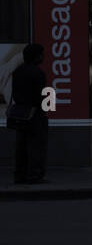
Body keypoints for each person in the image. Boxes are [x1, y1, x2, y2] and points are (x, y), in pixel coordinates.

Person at [9, 43, 48, 184]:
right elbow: (42, 96)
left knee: (21, 145)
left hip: (20, 113)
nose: (43, 57)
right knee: (37, 146)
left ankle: (19, 174)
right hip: (35, 114)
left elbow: (14, 94)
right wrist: (46, 110)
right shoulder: (38, 73)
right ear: (36, 57)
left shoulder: (17, 71)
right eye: (41, 54)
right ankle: (35, 175)